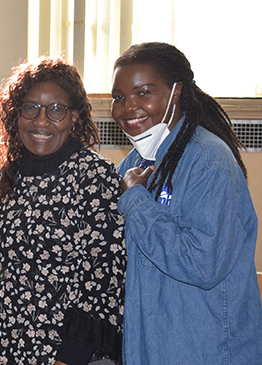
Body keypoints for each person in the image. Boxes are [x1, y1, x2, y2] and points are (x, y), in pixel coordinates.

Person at [110, 42, 262, 364]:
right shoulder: (135, 163)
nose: (127, 108)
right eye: (119, 97)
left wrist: (136, 200)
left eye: (143, 92)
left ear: (176, 91)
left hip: (205, 348)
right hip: (151, 344)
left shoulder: (208, 161)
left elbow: (201, 264)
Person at [0, 58, 126, 365]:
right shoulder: (0, 175)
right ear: (15, 114)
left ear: (74, 116)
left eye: (56, 109)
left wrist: (70, 356)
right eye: (30, 108)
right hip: (4, 346)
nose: (42, 121)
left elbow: (103, 281)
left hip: (69, 352)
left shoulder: (94, 176)